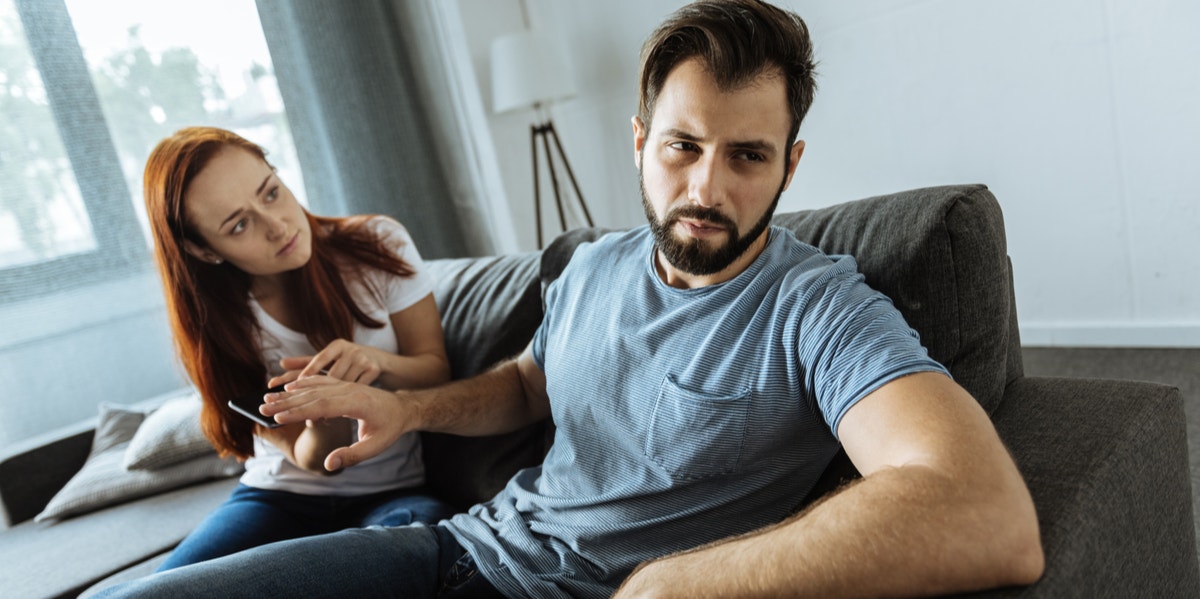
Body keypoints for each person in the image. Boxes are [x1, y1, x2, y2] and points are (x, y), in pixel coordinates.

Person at [99, 1, 1042, 597]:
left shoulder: (817, 308)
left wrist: (674, 588)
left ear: (790, 162)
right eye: (682, 146)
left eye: (748, 155)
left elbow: (986, 515)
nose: (707, 187)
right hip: (452, 549)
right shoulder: (591, 267)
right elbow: (525, 386)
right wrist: (408, 407)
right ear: (639, 141)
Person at [139, 126, 455, 571]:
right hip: (276, 497)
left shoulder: (378, 243)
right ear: (204, 251)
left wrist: (375, 362)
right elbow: (310, 460)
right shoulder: (217, 328)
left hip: (393, 492)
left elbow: (436, 370)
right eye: (240, 225)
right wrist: (325, 412)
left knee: (420, 556)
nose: (279, 225)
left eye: (270, 192)